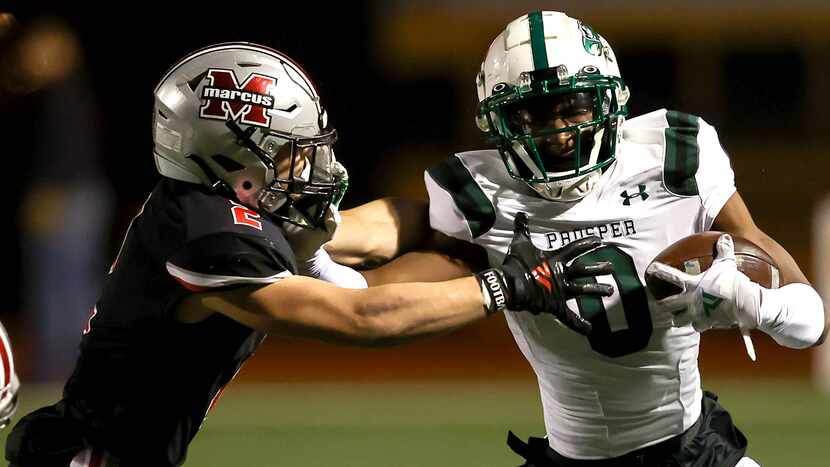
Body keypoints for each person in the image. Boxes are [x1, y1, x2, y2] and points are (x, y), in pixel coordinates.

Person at [4, 42, 615, 467]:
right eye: (292, 150)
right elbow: (362, 319)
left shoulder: (223, 210)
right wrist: (514, 285)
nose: (311, 166)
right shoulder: (207, 232)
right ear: (231, 157)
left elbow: (362, 268)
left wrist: (475, 227)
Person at [319, 11, 828, 467]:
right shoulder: (486, 196)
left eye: (574, 108)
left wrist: (756, 302)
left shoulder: (671, 155)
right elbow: (372, 295)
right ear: (501, 123)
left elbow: (810, 322)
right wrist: (307, 253)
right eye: (535, 115)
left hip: (695, 451)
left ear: (610, 101)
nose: (559, 132)